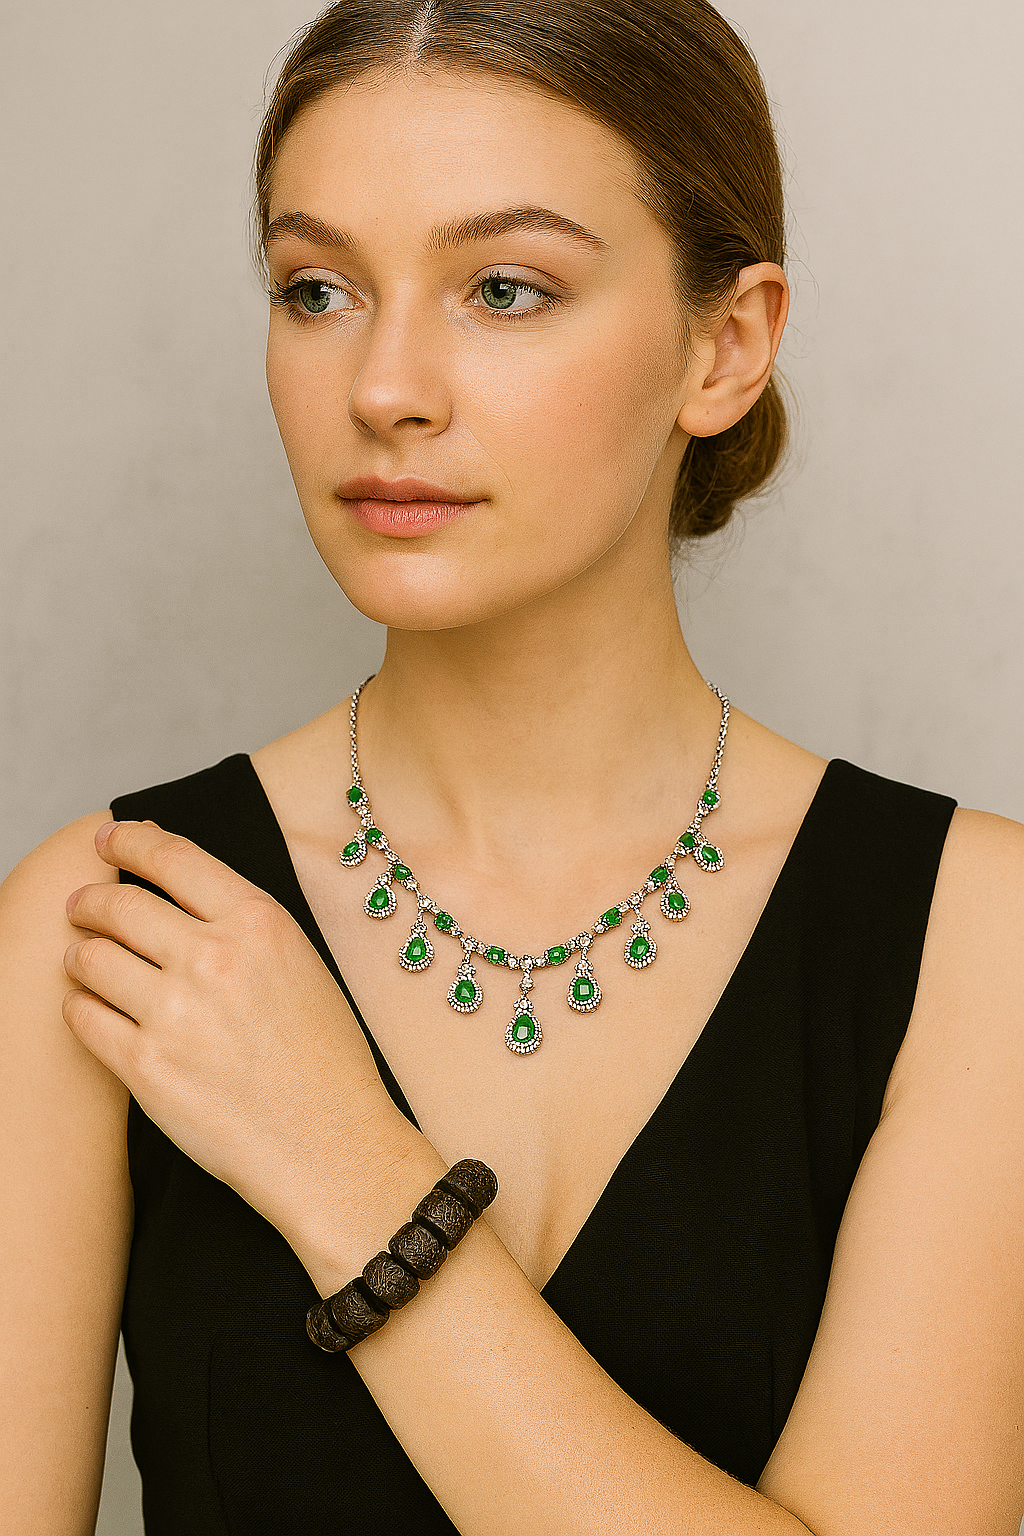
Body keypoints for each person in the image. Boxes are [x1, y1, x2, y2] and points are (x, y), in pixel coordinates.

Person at [2, 0, 1022, 1530]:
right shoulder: (100, 928)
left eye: (503, 286)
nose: (385, 387)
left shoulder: (979, 944)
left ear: (725, 346)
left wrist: (344, 1165)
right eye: (318, 287)